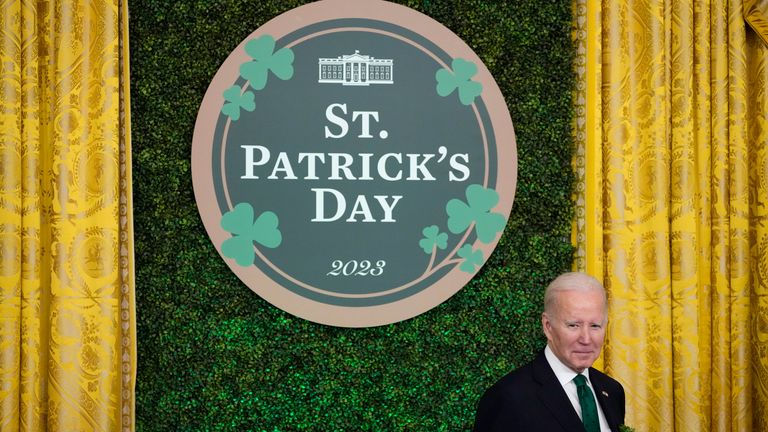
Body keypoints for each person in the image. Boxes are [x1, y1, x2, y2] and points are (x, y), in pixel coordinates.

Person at [473, 272, 625, 431]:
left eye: (595, 326)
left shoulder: (613, 391)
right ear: (548, 326)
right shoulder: (507, 398)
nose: (586, 339)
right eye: (573, 325)